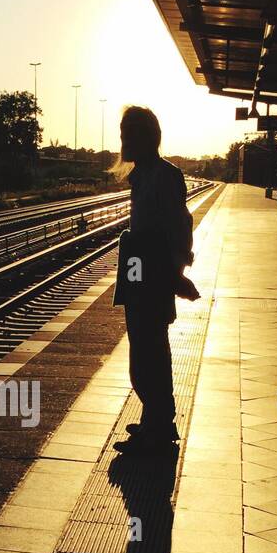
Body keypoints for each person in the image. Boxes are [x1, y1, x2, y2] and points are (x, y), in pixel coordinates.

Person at [111, 106, 199, 455]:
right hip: (139, 275)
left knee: (151, 355)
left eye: (128, 132)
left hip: (154, 275)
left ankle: (160, 428)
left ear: (145, 136)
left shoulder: (163, 176)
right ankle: (154, 420)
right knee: (142, 353)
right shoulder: (143, 175)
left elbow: (179, 226)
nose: (123, 139)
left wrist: (176, 273)